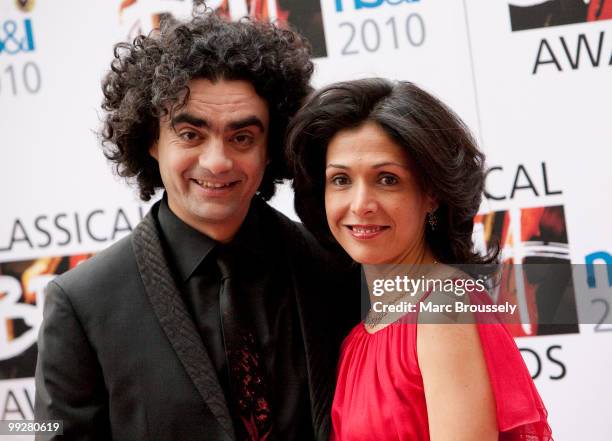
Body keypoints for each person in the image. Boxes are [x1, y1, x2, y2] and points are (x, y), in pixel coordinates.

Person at [34, 10, 359, 441]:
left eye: (242, 137)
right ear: (151, 139)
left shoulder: (338, 268)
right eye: (191, 134)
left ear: (271, 145)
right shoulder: (82, 304)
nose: (217, 161)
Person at [287, 78, 553, 440]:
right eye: (341, 180)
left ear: (431, 194)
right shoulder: (361, 332)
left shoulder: (442, 309)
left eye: (387, 179)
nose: (360, 204)